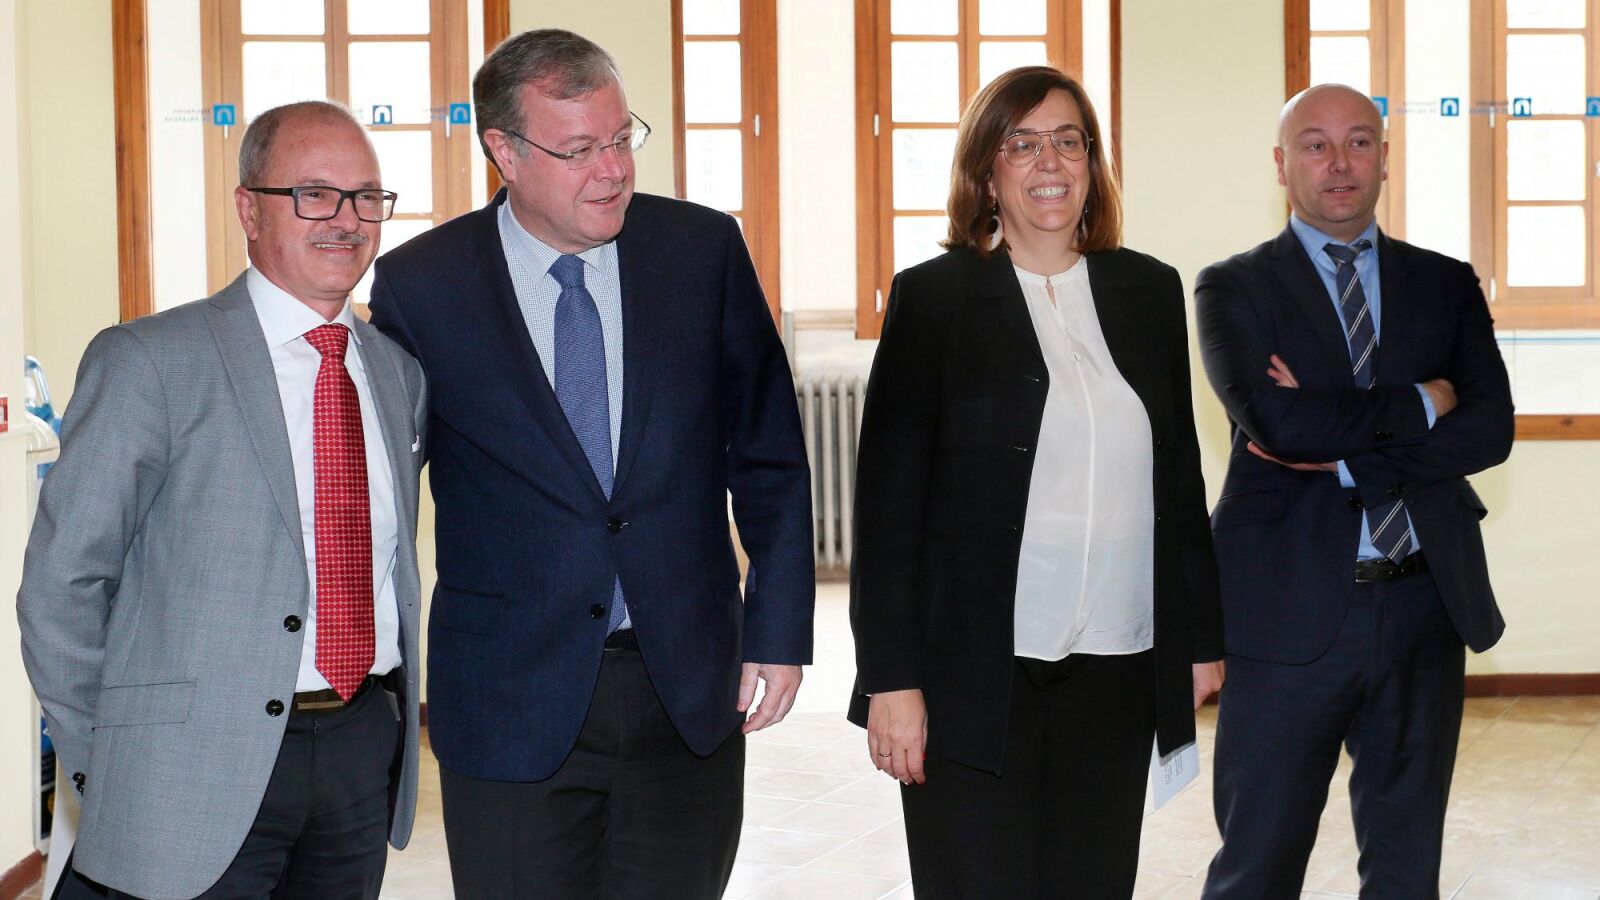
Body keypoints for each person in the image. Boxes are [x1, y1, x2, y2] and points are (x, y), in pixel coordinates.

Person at [366, 28, 815, 900]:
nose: (612, 170)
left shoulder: (701, 251)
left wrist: (778, 628)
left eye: (621, 138)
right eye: (578, 151)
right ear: (504, 152)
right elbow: (379, 485)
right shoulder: (423, 286)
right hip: (509, 699)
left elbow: (769, 452)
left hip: (685, 690)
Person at [19, 100, 426, 899]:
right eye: (314, 194)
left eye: (366, 197)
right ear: (248, 208)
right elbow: (62, 586)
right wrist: (110, 761)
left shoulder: (395, 374)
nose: (346, 220)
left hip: (356, 753)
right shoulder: (150, 361)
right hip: (186, 768)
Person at [847, 65, 1225, 899]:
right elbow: (886, 512)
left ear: (1092, 163)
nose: (1049, 161)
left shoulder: (1149, 291)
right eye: (1022, 144)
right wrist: (891, 681)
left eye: (1067, 141)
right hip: (972, 674)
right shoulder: (933, 300)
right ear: (988, 171)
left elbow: (1179, 483)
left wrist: (1198, 641)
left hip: (1117, 668)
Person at [1196, 83, 1514, 898]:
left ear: (1384, 158)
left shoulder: (1445, 283)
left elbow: (1491, 430)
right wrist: (1425, 401)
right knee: (1258, 866)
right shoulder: (1233, 288)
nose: (1339, 162)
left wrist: (1345, 455)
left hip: (1423, 608)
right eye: (1315, 144)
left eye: (1359, 142)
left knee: (1407, 871)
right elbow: (1278, 424)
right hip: (1284, 615)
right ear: (1281, 164)